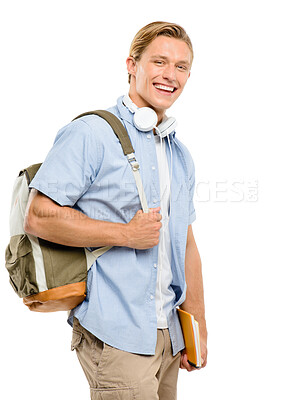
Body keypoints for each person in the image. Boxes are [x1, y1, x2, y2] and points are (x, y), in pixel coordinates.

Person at [24, 21, 207, 400]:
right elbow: (39, 215)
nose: (170, 75)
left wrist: (197, 327)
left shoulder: (179, 153)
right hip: (118, 334)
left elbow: (185, 243)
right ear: (132, 65)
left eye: (181, 66)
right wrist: (125, 234)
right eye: (159, 62)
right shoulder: (91, 133)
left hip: (169, 337)